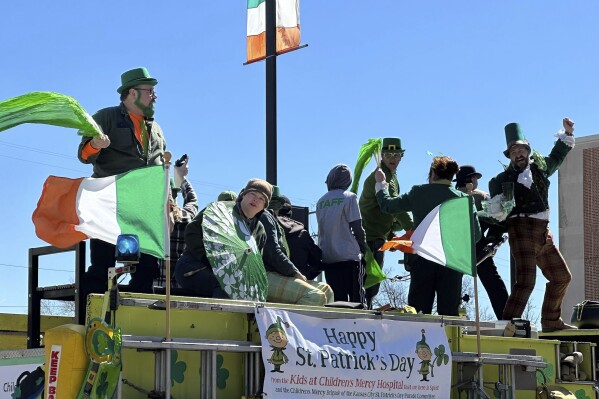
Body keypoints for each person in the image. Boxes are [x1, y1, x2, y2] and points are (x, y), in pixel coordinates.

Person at [77, 67, 166, 296]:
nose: (154, 96)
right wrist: (96, 145)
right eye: (150, 91)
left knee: (148, 268)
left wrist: (170, 192)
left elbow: (160, 167)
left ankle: (137, 315)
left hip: (143, 208)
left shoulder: (155, 129)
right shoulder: (105, 117)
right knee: (102, 268)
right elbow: (83, 155)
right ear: (132, 93)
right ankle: (94, 319)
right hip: (110, 204)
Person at [488, 119, 577, 332]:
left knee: (562, 277)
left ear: (528, 151)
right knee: (527, 281)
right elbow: (496, 211)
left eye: (521, 149)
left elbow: (557, 156)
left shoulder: (541, 168)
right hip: (520, 228)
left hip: (542, 232)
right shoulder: (500, 180)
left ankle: (551, 321)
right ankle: (507, 325)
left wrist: (567, 132)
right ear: (509, 156)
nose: (518, 154)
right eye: (513, 151)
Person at [376, 156, 481, 316]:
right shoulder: (465, 200)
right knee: (449, 317)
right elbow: (476, 235)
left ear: (432, 172)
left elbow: (387, 206)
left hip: (422, 262)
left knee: (417, 313)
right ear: (452, 175)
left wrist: (381, 185)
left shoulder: (418, 192)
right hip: (451, 264)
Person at [174, 179, 270, 298]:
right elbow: (192, 232)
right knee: (226, 288)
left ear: (264, 206)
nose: (256, 200)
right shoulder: (220, 210)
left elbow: (254, 262)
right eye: (252, 194)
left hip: (232, 276)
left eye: (261, 199)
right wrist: (208, 259)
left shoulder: (259, 231)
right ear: (243, 195)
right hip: (194, 265)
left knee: (249, 295)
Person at [359, 138, 413, 308]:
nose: (393, 158)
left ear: (401, 157)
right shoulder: (381, 176)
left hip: (377, 237)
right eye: (388, 154)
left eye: (396, 155)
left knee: (371, 284)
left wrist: (391, 234)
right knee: (370, 284)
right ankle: (363, 316)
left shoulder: (391, 176)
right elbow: (394, 207)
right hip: (370, 239)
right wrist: (413, 228)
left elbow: (384, 209)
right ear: (381, 155)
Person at [260, 186, 334, 306]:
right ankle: (288, 324)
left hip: (280, 274)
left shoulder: (271, 220)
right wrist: (296, 273)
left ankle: (314, 324)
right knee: (315, 295)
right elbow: (273, 253)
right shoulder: (264, 217)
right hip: (265, 275)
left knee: (327, 290)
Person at [455, 165, 509, 320]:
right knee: (492, 280)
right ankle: (505, 316)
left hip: (454, 246)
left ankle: (451, 315)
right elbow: (499, 217)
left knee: (452, 282)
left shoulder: (451, 196)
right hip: (478, 245)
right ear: (471, 179)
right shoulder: (479, 196)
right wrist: (493, 239)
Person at [316, 164, 367, 305]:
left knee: (338, 302)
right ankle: (361, 326)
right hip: (349, 257)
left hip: (328, 257)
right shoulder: (349, 197)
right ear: (347, 181)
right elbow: (357, 228)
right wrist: (364, 249)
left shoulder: (321, 201)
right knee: (358, 300)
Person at [155, 157, 199, 289]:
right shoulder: (185, 218)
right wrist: (180, 177)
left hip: (153, 289)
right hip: (179, 289)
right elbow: (192, 200)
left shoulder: (150, 221)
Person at [276, 195, 324, 280]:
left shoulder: (263, 227)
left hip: (272, 282)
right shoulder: (301, 232)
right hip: (298, 283)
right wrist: (305, 275)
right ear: (290, 211)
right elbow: (317, 260)